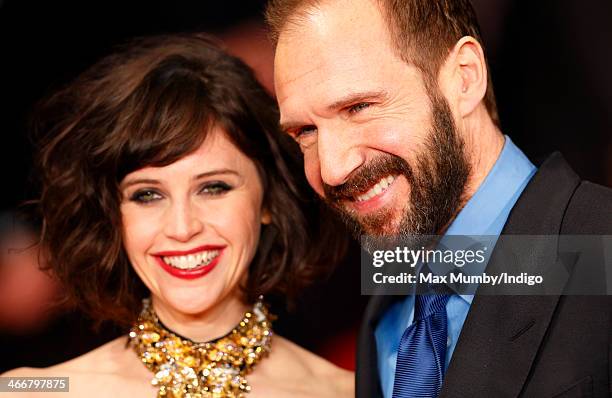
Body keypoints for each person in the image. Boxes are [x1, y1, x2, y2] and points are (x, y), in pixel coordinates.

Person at [266, 0, 612, 397]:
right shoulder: (386, 311)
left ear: (465, 78)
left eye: (359, 107)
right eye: (305, 132)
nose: (331, 170)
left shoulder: (601, 250)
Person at [2, 34, 353, 397]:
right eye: (148, 195)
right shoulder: (31, 390)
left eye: (213, 188)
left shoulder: (343, 391)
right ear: (113, 215)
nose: (183, 228)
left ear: (267, 201)